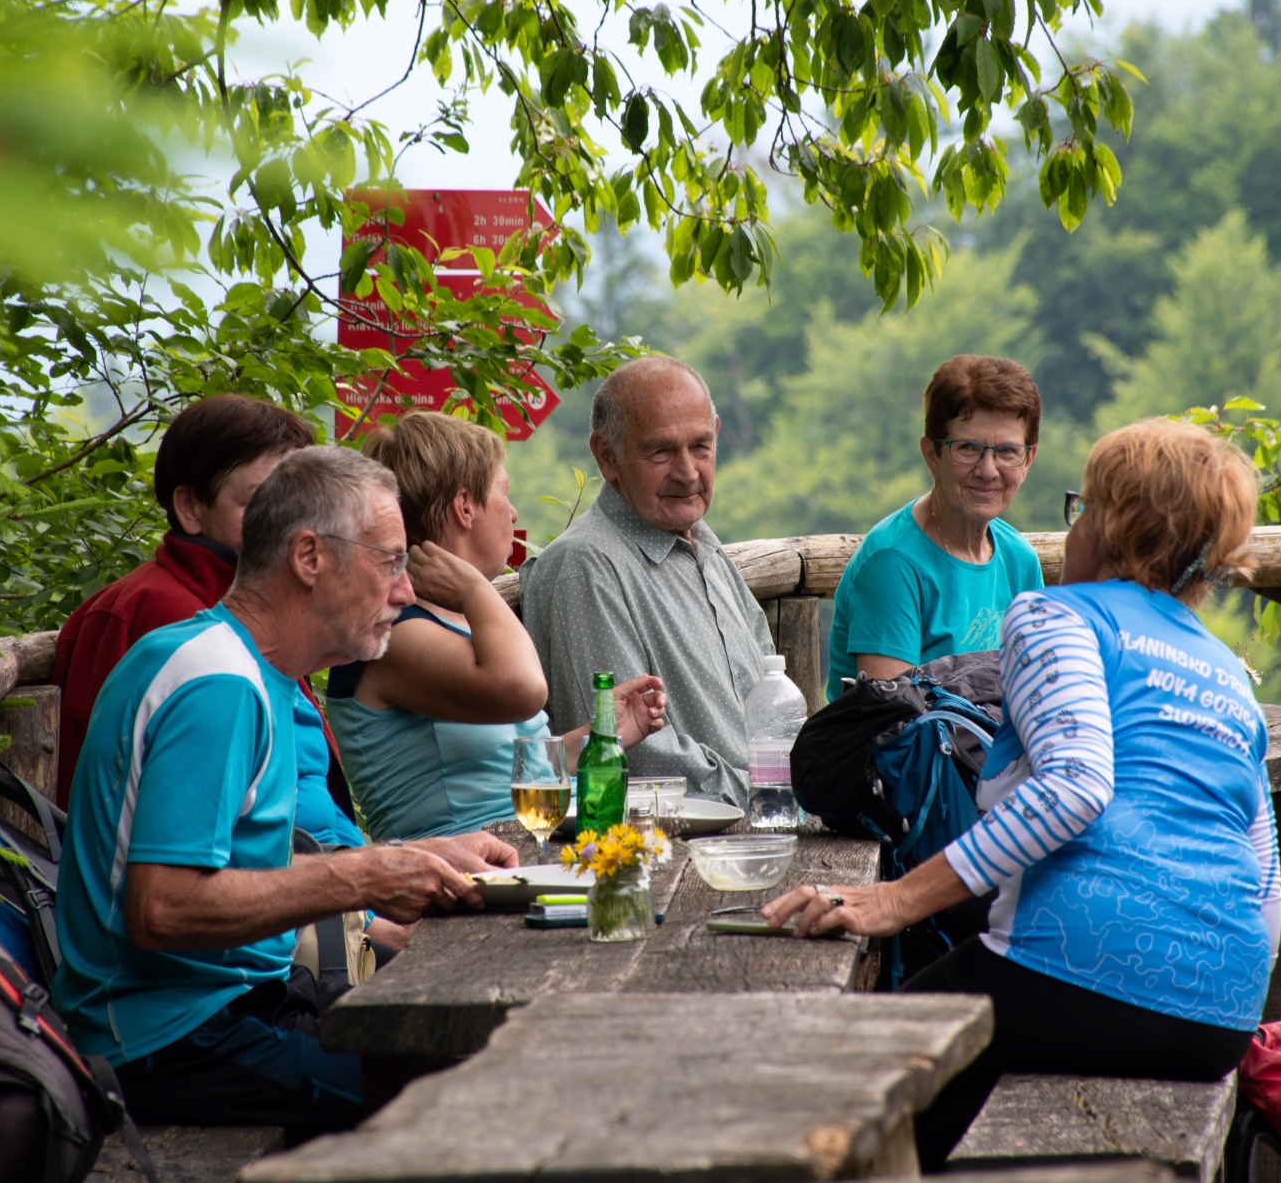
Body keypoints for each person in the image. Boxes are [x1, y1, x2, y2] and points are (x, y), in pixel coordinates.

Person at [764, 419, 1281, 1171]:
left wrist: (896, 900)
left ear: (1107, 528)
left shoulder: (1057, 615)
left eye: (1081, 508)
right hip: (1222, 1018)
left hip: (1075, 970)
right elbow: (1265, 874)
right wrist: (1215, 991)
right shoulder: (1227, 671)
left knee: (841, 1086)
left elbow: (1077, 783)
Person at [53, 445, 517, 1139]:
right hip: (169, 1038)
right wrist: (367, 873)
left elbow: (243, 870)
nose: (406, 590)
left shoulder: (244, 666)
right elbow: (164, 906)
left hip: (241, 1001)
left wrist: (421, 855)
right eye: (390, 560)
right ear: (309, 557)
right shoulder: (220, 684)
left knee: (483, 1043)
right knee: (472, 1099)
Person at [328, 411, 668, 841]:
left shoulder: (451, 621)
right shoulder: (394, 634)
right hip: (454, 877)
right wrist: (475, 588)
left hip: (516, 851)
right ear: (465, 506)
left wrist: (596, 737)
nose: (514, 511)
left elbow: (509, 772)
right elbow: (524, 692)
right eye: (504, 494)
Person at [50, 395, 356, 848]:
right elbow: (131, 835)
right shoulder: (155, 614)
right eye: (261, 503)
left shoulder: (259, 602)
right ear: (191, 508)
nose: (291, 528)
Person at [520, 358, 772, 806]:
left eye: (701, 446)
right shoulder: (587, 566)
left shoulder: (703, 545)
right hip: (675, 850)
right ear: (607, 457)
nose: (688, 472)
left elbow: (772, 692)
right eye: (660, 452)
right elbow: (629, 756)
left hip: (762, 817)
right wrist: (769, 791)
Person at [825, 355, 1046, 701]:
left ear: (1029, 459)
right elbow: (893, 730)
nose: (988, 470)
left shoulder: (1020, 560)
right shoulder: (893, 564)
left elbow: (1036, 693)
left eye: (1007, 451)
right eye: (968, 448)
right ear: (931, 454)